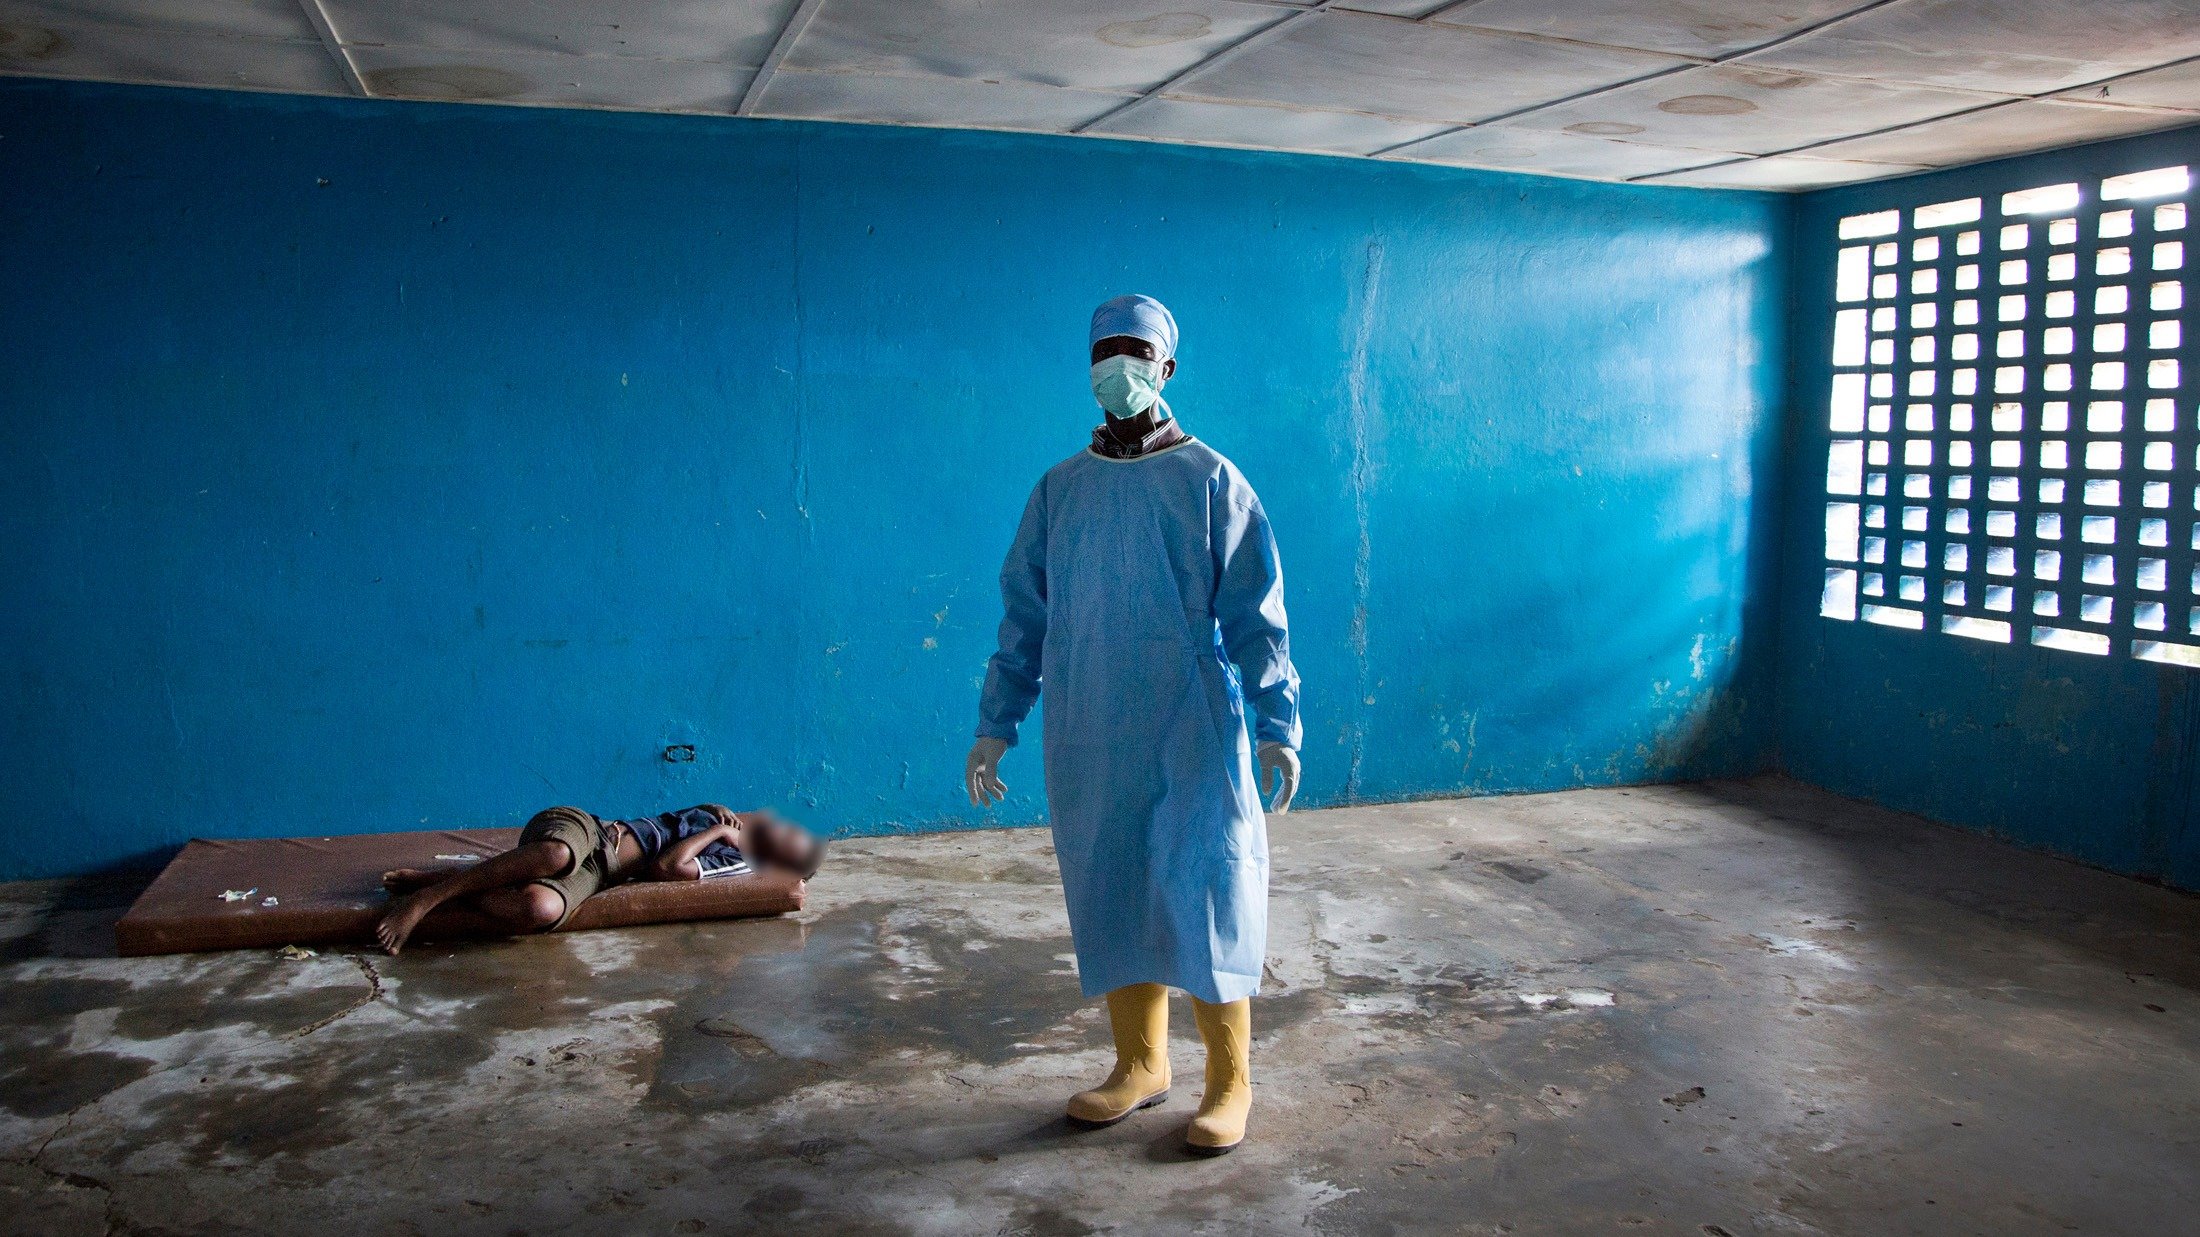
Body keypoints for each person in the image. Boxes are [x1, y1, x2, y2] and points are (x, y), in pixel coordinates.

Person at [966, 294, 1301, 1155]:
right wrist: (995, 722)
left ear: (1166, 367)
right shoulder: (1060, 491)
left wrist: (1277, 721)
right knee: (1114, 886)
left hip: (1190, 725)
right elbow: (1023, 617)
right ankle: (1141, 1065)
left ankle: (1230, 1082)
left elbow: (1258, 613)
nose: (1118, 366)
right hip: (1089, 726)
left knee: (1208, 887)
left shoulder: (1211, 481)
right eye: (1104, 351)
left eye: (1135, 350)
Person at [373, 804, 825, 955]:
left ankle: (454, 880)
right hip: (587, 828)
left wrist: (719, 832)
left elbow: (666, 869)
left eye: (793, 839)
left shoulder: (742, 860)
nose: (786, 828)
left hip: (600, 871)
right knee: (554, 853)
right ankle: (427, 897)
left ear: (784, 861)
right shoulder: (738, 817)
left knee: (539, 909)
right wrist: (721, 817)